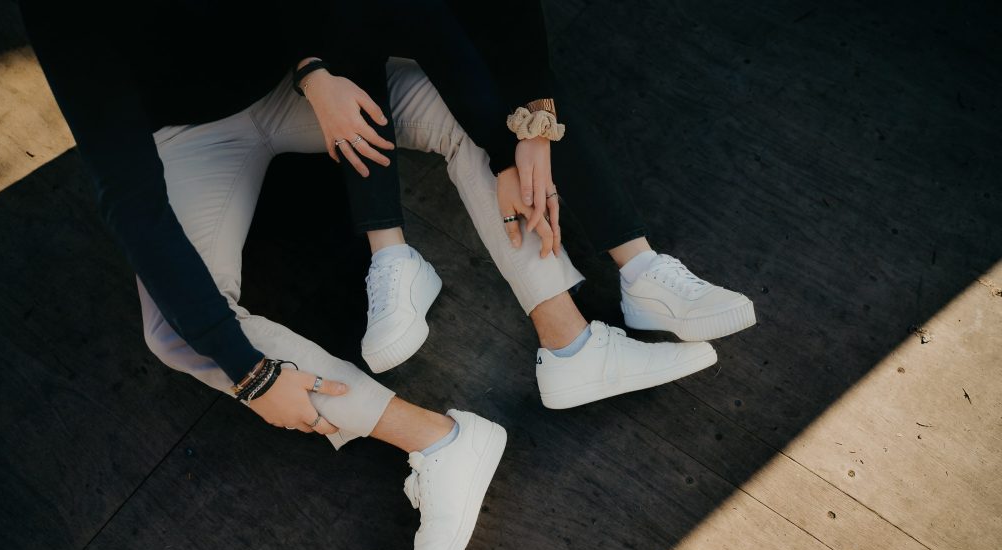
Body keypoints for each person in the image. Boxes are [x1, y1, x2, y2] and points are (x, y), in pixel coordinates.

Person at [18, 0, 508, 550]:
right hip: (186, 136)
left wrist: (314, 70)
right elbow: (129, 196)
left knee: (483, 121)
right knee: (175, 332)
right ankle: (441, 441)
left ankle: (570, 336)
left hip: (298, 82)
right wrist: (250, 373)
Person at [293, 0, 755, 409]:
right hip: (276, 70)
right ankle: (392, 256)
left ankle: (637, 276)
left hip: (367, 43)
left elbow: (496, 18)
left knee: (519, 97)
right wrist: (311, 74)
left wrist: (536, 123)